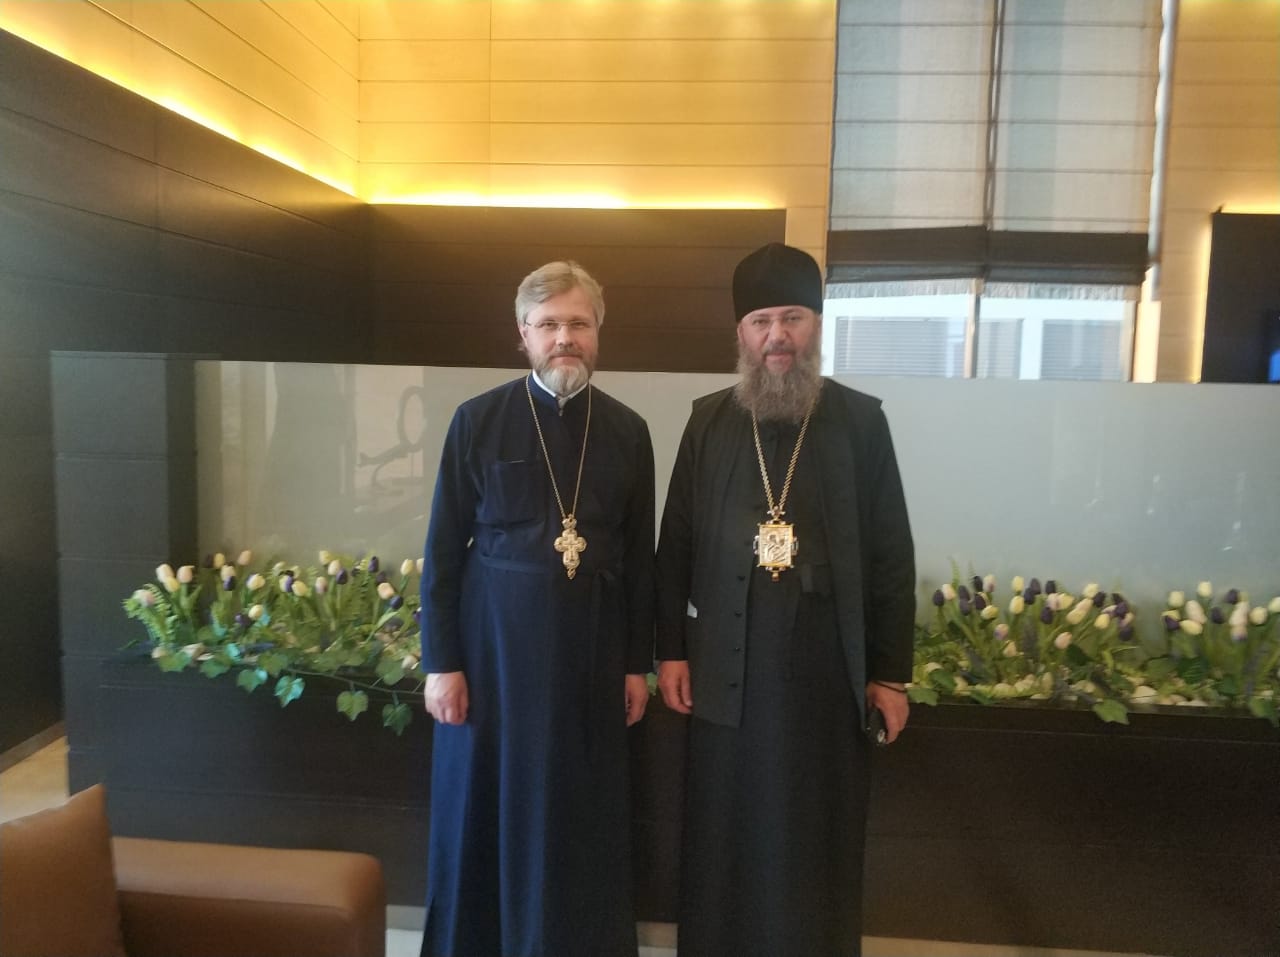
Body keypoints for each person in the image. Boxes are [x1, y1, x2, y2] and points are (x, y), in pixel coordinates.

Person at [655, 242, 916, 957]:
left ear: (816, 325)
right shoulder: (709, 421)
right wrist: (670, 650)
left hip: (825, 675)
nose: (778, 336)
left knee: (815, 831)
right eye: (762, 321)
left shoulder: (861, 422)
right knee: (726, 833)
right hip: (726, 672)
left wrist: (890, 674)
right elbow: (675, 542)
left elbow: (892, 552)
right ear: (740, 333)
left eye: (792, 318)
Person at [419, 261, 655, 957]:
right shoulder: (478, 420)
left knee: (578, 816)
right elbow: (442, 551)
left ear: (598, 332)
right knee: (486, 812)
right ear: (523, 334)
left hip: (590, 659)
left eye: (578, 323)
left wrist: (635, 665)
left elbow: (640, 560)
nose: (564, 338)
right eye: (548, 324)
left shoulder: (628, 431)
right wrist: (441, 663)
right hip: (492, 659)